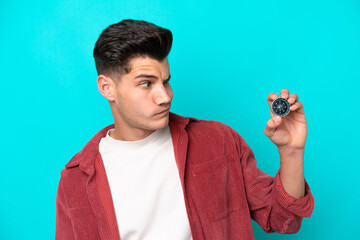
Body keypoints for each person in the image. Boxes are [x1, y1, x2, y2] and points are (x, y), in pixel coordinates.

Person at [55, 19, 314, 240]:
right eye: (146, 84)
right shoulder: (76, 179)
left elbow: (284, 219)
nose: (164, 96)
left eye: (165, 82)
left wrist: (291, 152)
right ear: (106, 88)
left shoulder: (218, 141)